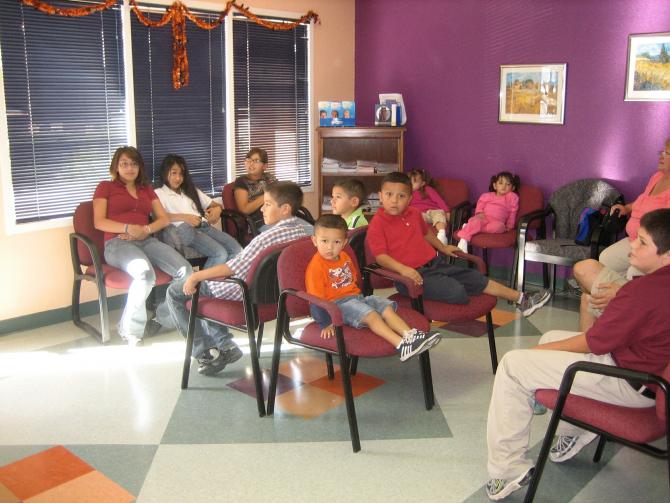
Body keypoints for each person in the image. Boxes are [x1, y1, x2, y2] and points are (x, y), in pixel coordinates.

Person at [484, 208, 670, 500]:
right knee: (550, 336)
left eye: (643, 242)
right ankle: (576, 430)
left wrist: (535, 352)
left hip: (629, 380)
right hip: (645, 374)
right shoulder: (657, 286)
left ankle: (507, 470)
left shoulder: (645, 292)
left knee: (513, 364)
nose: (632, 245)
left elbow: (593, 343)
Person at [159, 182, 308, 376]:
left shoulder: (266, 238)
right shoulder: (303, 231)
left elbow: (232, 268)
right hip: (277, 296)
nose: (262, 208)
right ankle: (224, 343)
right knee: (205, 288)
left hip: (241, 291)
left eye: (268, 204)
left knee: (175, 292)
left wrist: (196, 276)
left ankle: (205, 351)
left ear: (285, 209)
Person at [366, 172, 550, 315]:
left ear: (410, 198)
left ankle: (522, 300)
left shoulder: (413, 213)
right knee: (457, 292)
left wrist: (443, 247)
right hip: (409, 277)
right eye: (389, 194)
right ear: (380, 196)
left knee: (476, 278)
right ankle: (457, 285)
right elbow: (381, 257)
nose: (394, 200)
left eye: (401, 196)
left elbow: (426, 234)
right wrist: (404, 270)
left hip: (434, 264)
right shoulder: (378, 223)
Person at [306, 215, 441, 361]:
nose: (330, 247)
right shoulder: (316, 267)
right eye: (324, 241)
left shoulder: (344, 256)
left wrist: (359, 299)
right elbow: (315, 300)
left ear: (344, 242)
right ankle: (402, 345)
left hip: (357, 298)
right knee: (372, 316)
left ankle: (411, 336)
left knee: (385, 307)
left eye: (336, 242)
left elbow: (353, 281)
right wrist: (325, 323)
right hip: (338, 305)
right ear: (314, 240)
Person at [92, 146, 191, 345]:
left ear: (140, 167)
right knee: (145, 275)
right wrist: (128, 227)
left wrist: (145, 229)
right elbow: (99, 222)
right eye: (124, 164)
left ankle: (161, 318)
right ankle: (129, 329)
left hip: (146, 239)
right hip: (117, 243)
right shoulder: (105, 187)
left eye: (134, 164)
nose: (130, 168)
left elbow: (162, 219)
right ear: (116, 167)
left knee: (186, 271)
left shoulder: (146, 189)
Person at [573, 139, 670, 328]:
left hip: (653, 246)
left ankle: (624, 318)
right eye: (662, 152)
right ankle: (604, 313)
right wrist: (626, 208)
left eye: (667, 154)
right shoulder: (657, 177)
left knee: (635, 274)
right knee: (605, 258)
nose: (661, 156)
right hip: (634, 239)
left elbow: (663, 225)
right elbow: (643, 200)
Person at [154, 154, 242, 269]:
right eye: (174, 173)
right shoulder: (159, 193)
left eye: (181, 174)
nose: (178, 178)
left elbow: (215, 205)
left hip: (204, 227)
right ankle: (204, 286)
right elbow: (159, 217)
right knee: (220, 254)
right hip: (184, 230)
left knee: (238, 250)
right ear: (165, 173)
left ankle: (221, 284)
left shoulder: (190, 190)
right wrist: (186, 217)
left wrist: (217, 210)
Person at [456, 171, 520, 253]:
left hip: (496, 222)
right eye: (500, 183)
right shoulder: (487, 196)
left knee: (500, 227)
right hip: (483, 218)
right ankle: (464, 239)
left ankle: (469, 228)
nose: (504, 186)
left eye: (508, 184)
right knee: (476, 222)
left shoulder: (511, 198)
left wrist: (509, 226)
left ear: (513, 188)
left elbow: (513, 212)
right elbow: (480, 205)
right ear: (494, 185)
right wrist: (479, 213)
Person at [233, 147, 278, 231]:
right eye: (248, 160)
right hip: (261, 221)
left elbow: (280, 197)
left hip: (280, 216)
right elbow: (244, 210)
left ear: (265, 166)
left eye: (256, 161)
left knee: (307, 229)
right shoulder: (241, 181)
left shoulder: (270, 178)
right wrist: (266, 196)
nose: (251, 164)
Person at [408, 169, 451, 245]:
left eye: (414, 182)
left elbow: (439, 201)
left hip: (432, 211)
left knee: (438, 214)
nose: (410, 184)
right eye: (409, 182)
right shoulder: (407, 194)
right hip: (421, 214)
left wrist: (447, 212)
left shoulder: (427, 189)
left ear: (422, 183)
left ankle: (441, 234)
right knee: (413, 216)